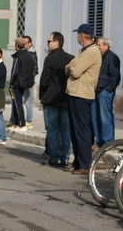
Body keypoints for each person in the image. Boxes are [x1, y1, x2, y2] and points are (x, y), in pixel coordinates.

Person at [65, 24, 101, 175]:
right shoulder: (83, 51)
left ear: (82, 35)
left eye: (78, 34)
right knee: (75, 130)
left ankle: (85, 164)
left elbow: (75, 70)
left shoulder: (91, 51)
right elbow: (68, 67)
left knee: (82, 130)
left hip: (82, 94)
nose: (76, 37)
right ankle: (78, 162)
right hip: (74, 93)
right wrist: (71, 67)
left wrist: (71, 67)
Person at [39, 32, 74, 168]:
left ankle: (54, 157)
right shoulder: (71, 58)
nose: (47, 43)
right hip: (65, 97)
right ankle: (64, 158)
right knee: (65, 129)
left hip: (51, 98)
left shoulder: (50, 58)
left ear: (56, 43)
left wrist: (42, 94)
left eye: (49, 41)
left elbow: (44, 79)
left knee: (52, 129)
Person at [91, 37, 121, 150]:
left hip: (105, 91)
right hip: (96, 90)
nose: (97, 47)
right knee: (95, 117)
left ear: (106, 45)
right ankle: (99, 142)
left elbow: (115, 76)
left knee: (105, 117)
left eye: (99, 45)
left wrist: (108, 89)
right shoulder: (98, 57)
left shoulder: (112, 57)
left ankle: (108, 143)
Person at [6, 35, 38, 129]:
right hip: (26, 82)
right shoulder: (29, 55)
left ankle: (21, 124)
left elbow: (15, 71)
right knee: (18, 103)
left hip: (17, 83)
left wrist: (11, 83)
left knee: (17, 104)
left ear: (17, 45)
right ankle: (16, 123)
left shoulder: (18, 56)